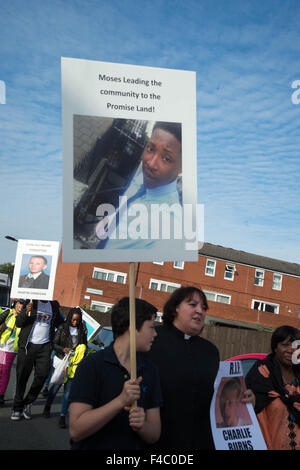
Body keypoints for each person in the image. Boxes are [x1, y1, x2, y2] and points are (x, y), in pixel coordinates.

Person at [146, 286, 255, 450]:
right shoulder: (152, 340)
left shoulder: (210, 351)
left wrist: (244, 401)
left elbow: (218, 397)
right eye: (192, 304)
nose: (200, 311)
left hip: (201, 441)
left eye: (203, 308)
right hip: (159, 443)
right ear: (175, 308)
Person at [69, 297, 162, 450]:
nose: (155, 334)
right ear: (132, 327)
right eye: (151, 327)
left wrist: (143, 425)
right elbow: (76, 430)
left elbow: (154, 433)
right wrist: (120, 401)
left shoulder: (150, 370)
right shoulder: (92, 365)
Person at [96, 121, 183, 250]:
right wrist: (111, 218)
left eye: (166, 158)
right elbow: (128, 200)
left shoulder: (166, 228)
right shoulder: (146, 177)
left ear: (181, 167)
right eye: (151, 149)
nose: (151, 164)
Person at [246, 325, 300, 450]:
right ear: (275, 347)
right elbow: (247, 412)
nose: (291, 350)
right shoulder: (261, 376)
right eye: (285, 345)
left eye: (295, 347)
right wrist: (251, 402)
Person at [11, 298, 64, 420]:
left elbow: (61, 324)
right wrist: (25, 312)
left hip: (45, 347)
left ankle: (27, 402)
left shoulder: (54, 305)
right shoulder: (30, 302)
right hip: (27, 346)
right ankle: (17, 408)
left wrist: (79, 325)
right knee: (22, 377)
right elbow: (19, 323)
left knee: (43, 375)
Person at [43, 307, 87, 428]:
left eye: (77, 320)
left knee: (68, 392)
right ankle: (47, 406)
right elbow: (54, 343)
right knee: (56, 387)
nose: (75, 322)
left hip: (74, 364)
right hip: (62, 361)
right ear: (69, 318)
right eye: (73, 320)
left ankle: (62, 416)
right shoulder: (63, 327)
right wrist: (63, 349)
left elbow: (84, 347)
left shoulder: (81, 330)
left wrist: (84, 337)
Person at [0, 300, 23, 405]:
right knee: (0, 369)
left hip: (11, 349)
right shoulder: (8, 312)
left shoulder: (24, 318)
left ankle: (1, 395)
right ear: (16, 304)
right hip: (1, 346)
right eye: (19, 304)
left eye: (23, 305)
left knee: (5, 370)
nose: (20, 307)